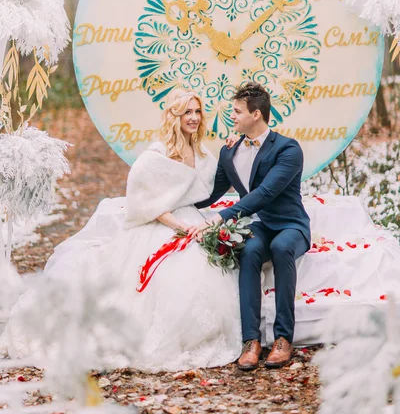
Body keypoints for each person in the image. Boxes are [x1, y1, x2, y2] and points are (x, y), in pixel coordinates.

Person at [2, 89, 242, 372]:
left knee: (208, 270)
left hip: (191, 219)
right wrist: (181, 227)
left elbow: (215, 187)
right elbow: (144, 203)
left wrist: (231, 151)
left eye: (196, 112)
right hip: (160, 224)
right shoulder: (156, 155)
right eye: (186, 112)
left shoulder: (201, 152)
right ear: (173, 116)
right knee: (169, 275)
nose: (192, 117)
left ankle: (200, 334)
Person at [194, 82, 311, 371]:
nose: (231, 116)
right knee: (249, 250)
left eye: (237, 111)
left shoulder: (288, 149)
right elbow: (212, 192)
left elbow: (266, 192)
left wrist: (222, 217)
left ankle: (283, 338)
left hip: (290, 224)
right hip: (257, 226)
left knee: (282, 247)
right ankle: (251, 341)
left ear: (256, 114)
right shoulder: (229, 152)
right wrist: (175, 201)